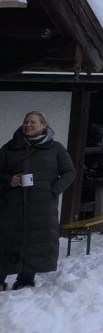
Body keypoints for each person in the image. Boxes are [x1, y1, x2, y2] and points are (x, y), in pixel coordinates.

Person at [0, 111, 76, 290]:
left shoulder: (55, 148)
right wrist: (9, 180)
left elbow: (69, 172)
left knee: (35, 242)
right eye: (26, 121)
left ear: (43, 126)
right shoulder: (10, 148)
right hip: (12, 204)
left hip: (41, 205)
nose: (28, 125)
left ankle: (25, 280)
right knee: (6, 240)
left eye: (33, 122)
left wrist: (54, 190)